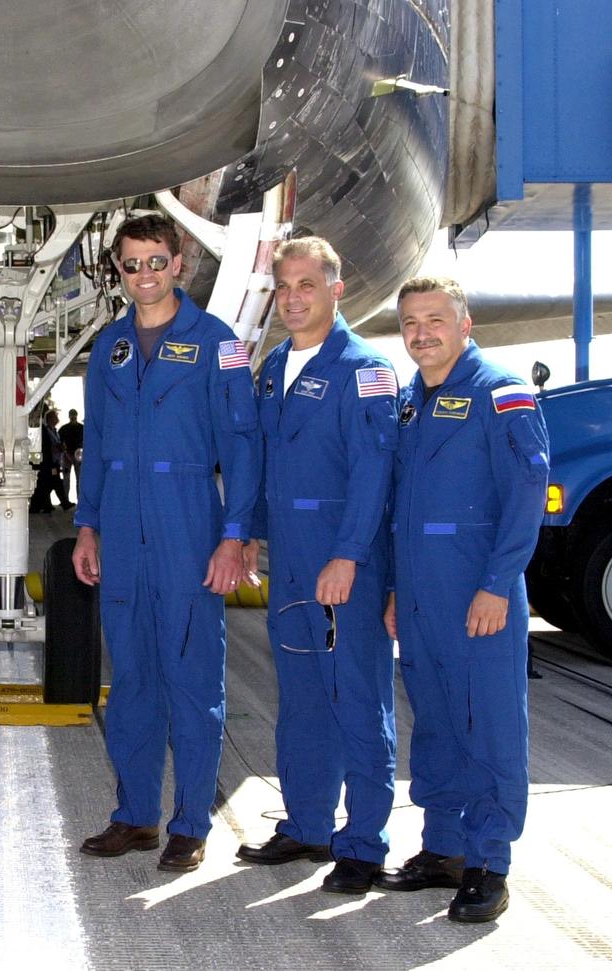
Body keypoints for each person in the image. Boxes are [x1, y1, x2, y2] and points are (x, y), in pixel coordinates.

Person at [71, 213, 260, 872]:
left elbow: (241, 446)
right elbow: (94, 444)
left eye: (156, 261)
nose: (145, 275)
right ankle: (136, 815)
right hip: (121, 529)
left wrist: (236, 535)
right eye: (132, 264)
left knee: (193, 681)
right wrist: (86, 523)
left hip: (188, 525)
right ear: (118, 271)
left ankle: (189, 821)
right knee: (131, 685)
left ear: (179, 262)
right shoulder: (109, 348)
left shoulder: (217, 342)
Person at [379, 277, 548, 923]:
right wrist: (396, 587)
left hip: (479, 593)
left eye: (435, 319)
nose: (422, 333)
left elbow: (527, 492)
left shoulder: (499, 392)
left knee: (490, 727)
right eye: (411, 323)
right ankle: (445, 847)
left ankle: (489, 862)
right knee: (439, 726)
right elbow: (402, 507)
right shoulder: (409, 401)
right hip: (422, 597)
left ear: (464, 322)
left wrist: (498, 585)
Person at [237, 237, 398, 893]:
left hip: (342, 560)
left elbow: (373, 472)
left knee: (357, 699)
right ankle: (306, 823)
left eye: (307, 283)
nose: (294, 297)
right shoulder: (275, 366)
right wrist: (249, 532)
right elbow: (266, 459)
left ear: (336, 287)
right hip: (291, 557)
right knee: (302, 697)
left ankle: (363, 841)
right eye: (284, 285)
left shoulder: (367, 369)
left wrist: (348, 554)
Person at [58, 408, 84, 503]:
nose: (73, 416)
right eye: (71, 415)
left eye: (74, 415)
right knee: (66, 479)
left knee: (79, 479)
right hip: (67, 455)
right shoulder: (64, 428)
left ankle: (79, 499)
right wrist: (64, 452)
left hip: (78, 455)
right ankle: (65, 500)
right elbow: (59, 442)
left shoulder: (82, 428)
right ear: (69, 416)